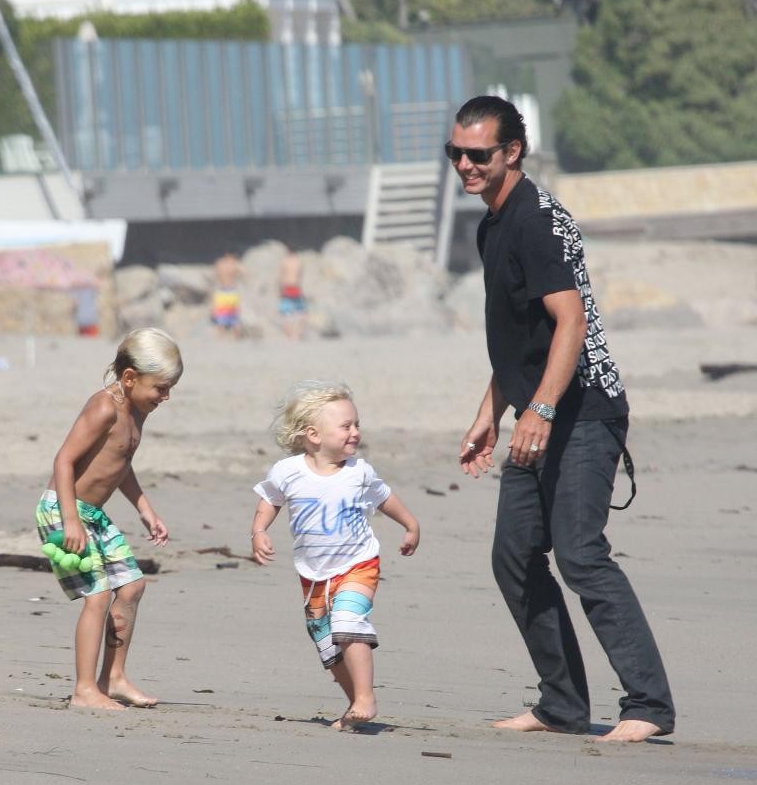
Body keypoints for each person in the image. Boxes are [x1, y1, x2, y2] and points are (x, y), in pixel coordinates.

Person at [452, 95, 675, 743]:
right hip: (538, 412)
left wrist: (542, 410)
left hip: (583, 412)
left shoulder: (535, 220)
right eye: (456, 154)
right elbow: (524, 338)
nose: (465, 165)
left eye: (478, 154)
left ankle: (649, 705)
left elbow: (570, 320)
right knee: (514, 556)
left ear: (511, 152)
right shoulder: (492, 225)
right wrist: (489, 416)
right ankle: (563, 703)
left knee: (580, 553)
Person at [251, 380, 420, 729]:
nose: (355, 432)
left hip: (358, 564)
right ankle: (354, 705)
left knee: (347, 623)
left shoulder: (360, 472)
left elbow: (384, 497)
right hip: (313, 575)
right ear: (314, 434)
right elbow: (271, 499)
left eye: (357, 424)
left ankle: (366, 697)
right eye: (346, 426)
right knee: (327, 643)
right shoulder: (288, 471)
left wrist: (410, 524)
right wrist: (259, 531)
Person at [35, 327, 183, 710]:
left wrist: (146, 509)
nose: (166, 396)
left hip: (93, 515)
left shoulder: (137, 410)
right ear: (130, 377)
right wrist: (70, 520)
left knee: (131, 587)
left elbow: (121, 463)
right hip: (62, 509)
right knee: (97, 596)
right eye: (161, 387)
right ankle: (84, 690)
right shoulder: (104, 407)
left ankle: (112, 678)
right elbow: (64, 460)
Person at [210, 252, 243, 337]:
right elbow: (245, 273)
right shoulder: (234, 265)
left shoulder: (219, 264)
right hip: (232, 291)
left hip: (221, 291)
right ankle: (237, 338)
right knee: (235, 318)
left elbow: (214, 277)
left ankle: (220, 339)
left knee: (221, 318)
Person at [278, 247, 308, 339]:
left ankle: (290, 334)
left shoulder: (284, 261)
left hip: (287, 287)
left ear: (288, 251)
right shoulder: (299, 262)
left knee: (286, 312)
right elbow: (300, 276)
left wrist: (280, 290)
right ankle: (298, 333)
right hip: (296, 287)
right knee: (302, 312)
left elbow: (281, 276)